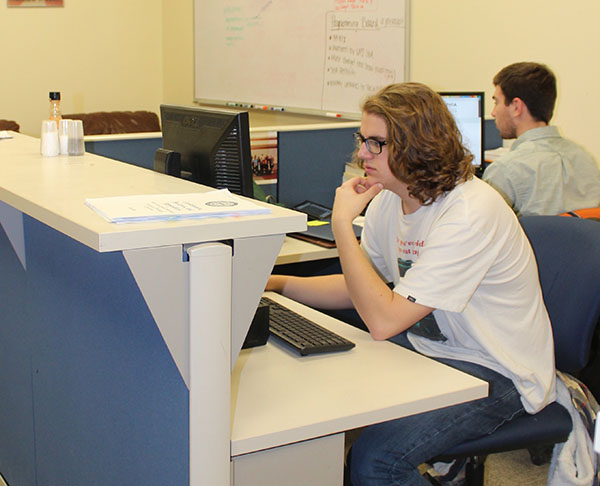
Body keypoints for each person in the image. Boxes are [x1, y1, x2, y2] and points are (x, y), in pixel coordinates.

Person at [266, 82, 556, 485]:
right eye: (362, 140)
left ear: (417, 146)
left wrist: (341, 225)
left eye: (375, 143)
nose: (362, 154)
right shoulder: (390, 199)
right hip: (430, 348)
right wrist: (276, 284)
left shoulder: (470, 212)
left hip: (496, 368)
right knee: (317, 395)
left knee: (376, 460)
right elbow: (362, 288)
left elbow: (383, 321)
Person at [483, 62, 600, 216]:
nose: (493, 112)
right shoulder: (586, 159)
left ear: (516, 107)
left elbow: (481, 233)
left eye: (496, 102)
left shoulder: (504, 172)